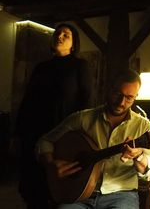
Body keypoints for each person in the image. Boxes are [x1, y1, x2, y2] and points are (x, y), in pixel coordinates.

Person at [35, 69, 150, 209]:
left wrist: (139, 157)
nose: (121, 102)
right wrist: (50, 163)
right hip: (79, 194)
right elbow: (45, 141)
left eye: (129, 98)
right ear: (108, 88)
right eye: (117, 94)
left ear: (136, 96)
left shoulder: (142, 126)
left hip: (121, 195)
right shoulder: (82, 119)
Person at [12, 23, 93, 209]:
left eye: (66, 35)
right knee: (34, 189)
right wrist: (17, 133)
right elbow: (27, 101)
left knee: (58, 187)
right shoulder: (41, 67)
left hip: (62, 134)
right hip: (34, 133)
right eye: (58, 33)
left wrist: (81, 137)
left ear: (73, 44)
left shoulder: (80, 66)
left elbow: (86, 102)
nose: (60, 36)